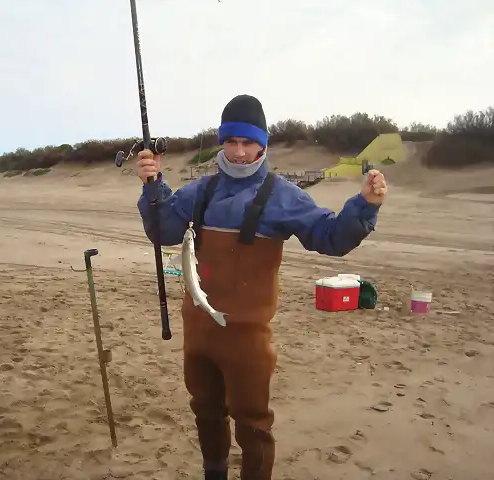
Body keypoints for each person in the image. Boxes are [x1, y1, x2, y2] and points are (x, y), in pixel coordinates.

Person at [136, 94, 387, 480]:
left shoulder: (283, 196)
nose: (238, 152)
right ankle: (214, 473)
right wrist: (153, 186)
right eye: (231, 141)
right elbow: (164, 230)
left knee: (253, 422)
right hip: (198, 331)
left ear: (263, 145)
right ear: (223, 142)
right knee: (205, 410)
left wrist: (364, 206)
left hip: (247, 336)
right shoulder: (200, 192)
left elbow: (331, 237)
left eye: (247, 142)